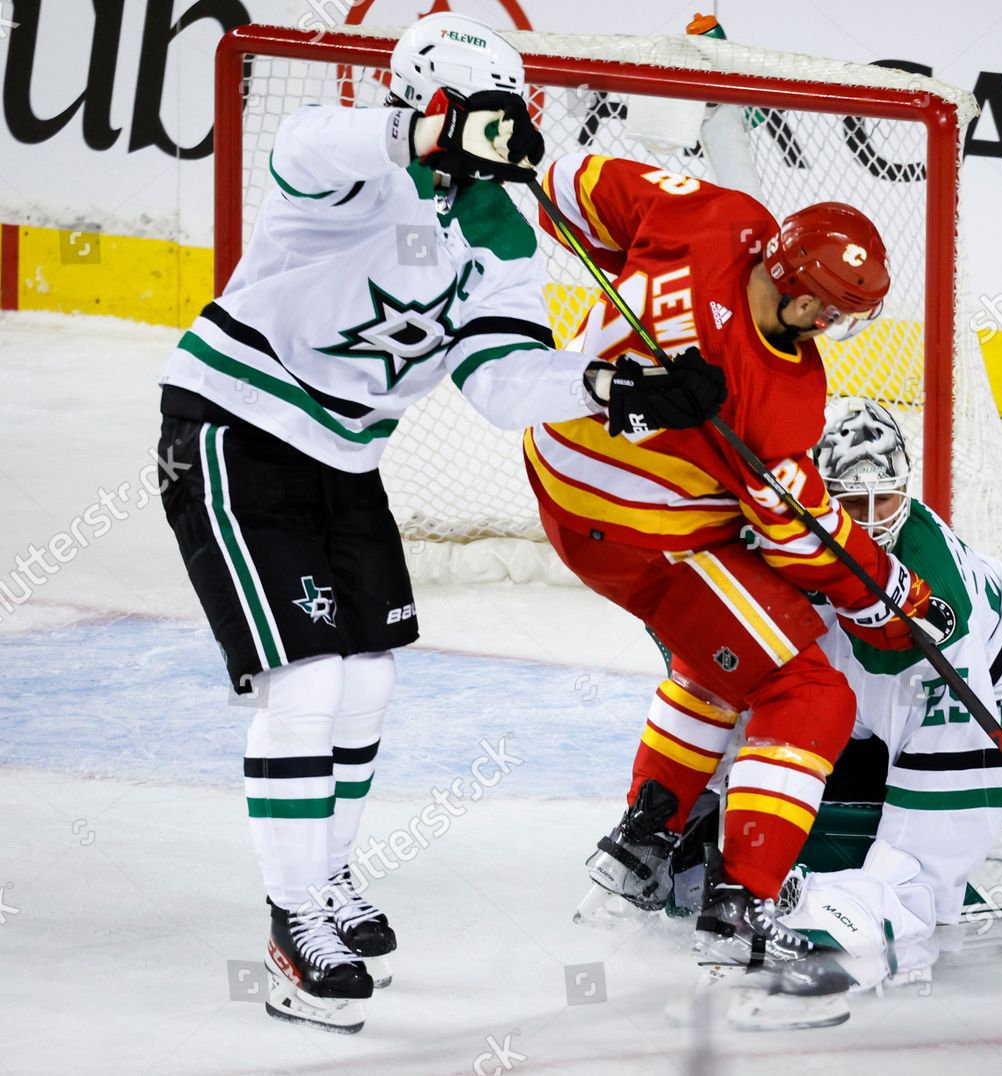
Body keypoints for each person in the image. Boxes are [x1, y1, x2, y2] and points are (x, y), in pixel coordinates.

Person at [156, 14, 723, 1035]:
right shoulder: (355, 160)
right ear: (420, 100)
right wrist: (421, 137)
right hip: (233, 428)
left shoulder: (503, 230)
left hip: (344, 460)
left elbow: (506, 388)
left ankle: (323, 879)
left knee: (367, 677)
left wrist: (627, 395)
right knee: (309, 680)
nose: (494, 133)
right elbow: (297, 152)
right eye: (469, 113)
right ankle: (294, 926)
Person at [522, 153, 935, 993]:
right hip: (641, 536)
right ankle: (739, 904)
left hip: (556, 461)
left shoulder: (712, 215)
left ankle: (641, 845)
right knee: (808, 690)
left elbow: (566, 192)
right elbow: (801, 542)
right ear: (804, 297)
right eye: (835, 314)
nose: (832, 331)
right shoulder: (779, 400)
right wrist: (886, 591)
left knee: (729, 649)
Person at [667, 397, 1002, 1005]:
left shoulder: (934, 588)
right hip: (868, 709)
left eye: (887, 499)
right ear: (818, 497)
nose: (873, 521)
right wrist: (702, 804)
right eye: (851, 503)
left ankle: (888, 904)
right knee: (759, 675)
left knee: (925, 750)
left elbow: (953, 723)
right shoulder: (777, 541)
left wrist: (886, 896)